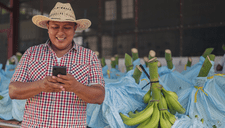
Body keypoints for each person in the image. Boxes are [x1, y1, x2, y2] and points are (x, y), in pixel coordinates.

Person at [8, 2, 105, 128]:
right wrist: (40, 85)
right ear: (48, 27)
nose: (60, 33)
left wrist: (76, 87)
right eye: (55, 27)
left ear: (75, 28)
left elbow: (100, 96)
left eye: (67, 27)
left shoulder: (89, 57)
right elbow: (13, 91)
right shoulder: (31, 53)